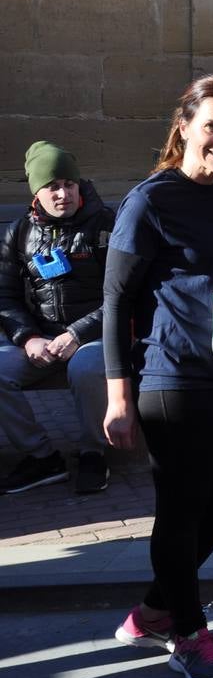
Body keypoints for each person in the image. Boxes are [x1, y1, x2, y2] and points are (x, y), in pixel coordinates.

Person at [103, 76, 213, 678]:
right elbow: (117, 302)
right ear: (185, 127)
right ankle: (188, 634)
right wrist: (119, 395)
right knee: (183, 506)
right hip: (175, 378)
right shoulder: (149, 200)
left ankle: (153, 607)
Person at [0, 142, 115, 494]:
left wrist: (77, 335)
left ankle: (94, 452)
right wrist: (27, 337)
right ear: (37, 191)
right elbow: (5, 296)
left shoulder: (106, 225)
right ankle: (41, 457)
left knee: (85, 370)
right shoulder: (19, 232)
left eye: (69, 184)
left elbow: (122, 296)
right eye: (52, 186)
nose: (63, 193)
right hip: (41, 337)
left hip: (95, 335)